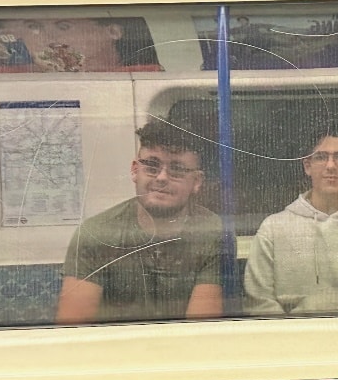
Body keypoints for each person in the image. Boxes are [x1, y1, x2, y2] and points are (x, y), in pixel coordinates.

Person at [57, 120, 223, 323]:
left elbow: (200, 329)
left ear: (196, 182)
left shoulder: (210, 232)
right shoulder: (96, 234)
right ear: (135, 170)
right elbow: (74, 328)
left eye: (177, 170)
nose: (162, 177)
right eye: (152, 166)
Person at [244, 134, 338, 315]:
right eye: (321, 157)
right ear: (307, 166)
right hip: (290, 332)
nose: (331, 166)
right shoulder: (273, 228)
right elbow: (260, 303)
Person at [0, 17, 162, 73]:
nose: (47, 37)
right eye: (33, 26)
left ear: (113, 31)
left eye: (63, 27)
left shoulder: (147, 77)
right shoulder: (6, 79)